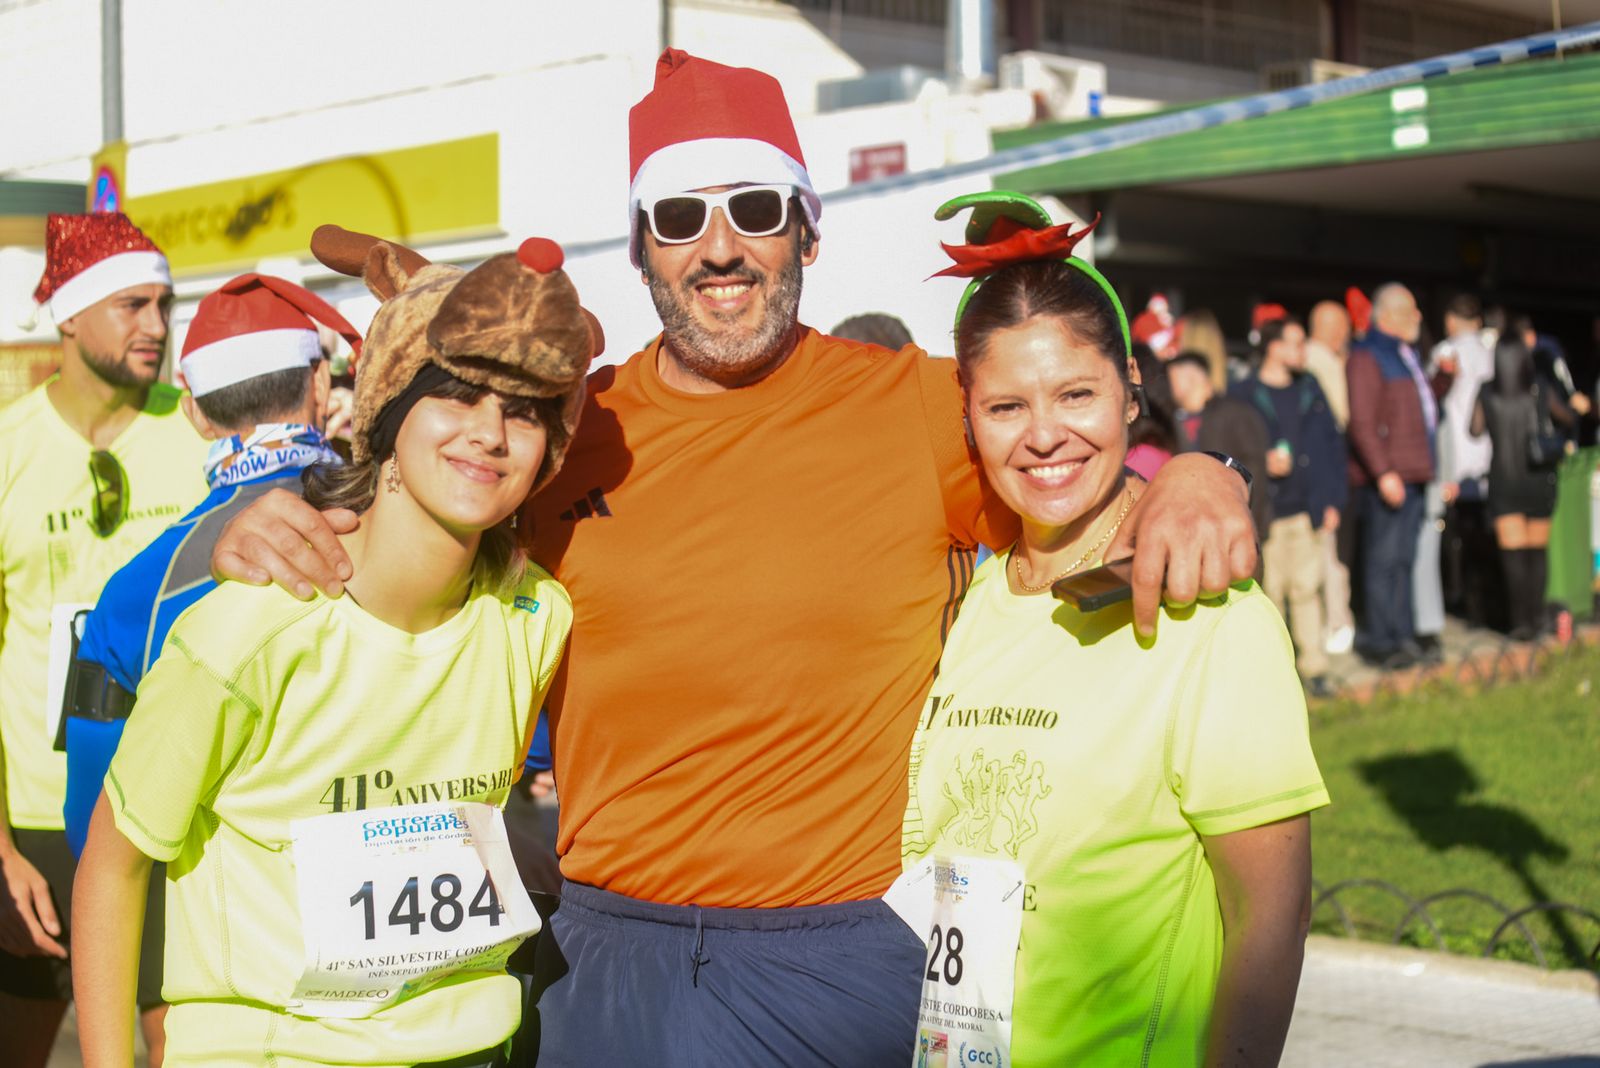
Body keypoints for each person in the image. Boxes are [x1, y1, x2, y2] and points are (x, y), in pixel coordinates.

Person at [210, 51, 1259, 1066]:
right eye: (678, 217)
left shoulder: (915, 406)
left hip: (841, 966)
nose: (718, 246)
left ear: (806, 230)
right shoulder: (569, 431)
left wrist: (1197, 473)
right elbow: (420, 516)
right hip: (603, 955)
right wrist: (255, 513)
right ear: (638, 249)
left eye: (755, 209)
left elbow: (1054, 447)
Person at [72, 231, 593, 1067]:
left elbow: (447, 821)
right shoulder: (250, 627)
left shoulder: (534, 620)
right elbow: (113, 864)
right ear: (386, 411)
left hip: (475, 1048)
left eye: (524, 411)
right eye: (456, 396)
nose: (491, 434)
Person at [902, 192, 1325, 1066]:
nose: (1045, 435)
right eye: (1007, 407)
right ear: (970, 417)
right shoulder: (980, 599)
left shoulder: (1212, 614)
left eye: (1076, 393)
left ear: (1132, 393)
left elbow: (1271, 917)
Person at [0, 213, 207, 1066]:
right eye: (132, 305)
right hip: (42, 814)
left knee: (176, 1041)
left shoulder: (199, 436)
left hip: (176, 798)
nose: (158, 326)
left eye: (164, 304)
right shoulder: (8, 448)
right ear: (70, 315)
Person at [1232, 314, 1346, 695]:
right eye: (1297, 343)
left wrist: (1331, 499)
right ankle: (1276, 675)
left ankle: (1313, 668)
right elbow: (1230, 450)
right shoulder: (1243, 394)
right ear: (1275, 347)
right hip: (1265, 513)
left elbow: (1331, 445)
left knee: (1307, 589)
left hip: (1306, 508)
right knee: (1271, 595)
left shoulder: (1310, 388)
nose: (1304, 351)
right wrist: (1262, 461)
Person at [1346, 283, 1438, 667]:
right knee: (1384, 561)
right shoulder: (1369, 356)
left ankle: (1402, 635)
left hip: (1413, 473)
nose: (1418, 318)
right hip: (1390, 478)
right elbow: (1363, 423)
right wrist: (1384, 472)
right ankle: (1381, 641)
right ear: (1389, 316)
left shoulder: (1403, 354)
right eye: (1411, 310)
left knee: (1403, 560)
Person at [1471, 332, 1575, 637]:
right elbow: (1567, 418)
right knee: (1536, 553)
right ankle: (1539, 617)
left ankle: (1520, 624)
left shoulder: (1486, 392)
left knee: (1512, 556)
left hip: (1504, 480)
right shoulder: (1539, 388)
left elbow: (1474, 430)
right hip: (1537, 478)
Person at [1429, 295, 1498, 631]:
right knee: (1481, 532)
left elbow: (1432, 408)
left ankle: (1455, 597)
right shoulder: (1491, 353)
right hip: (1488, 457)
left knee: (1452, 534)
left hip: (1453, 458)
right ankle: (1480, 602)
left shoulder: (1445, 352)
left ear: (1452, 320)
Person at [1168, 350, 1272, 545]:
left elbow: (1255, 472)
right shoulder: (1173, 420)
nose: (1167, 385)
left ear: (1189, 378)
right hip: (1191, 533)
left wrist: (1250, 526)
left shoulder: (1236, 414)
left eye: (1171, 378)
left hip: (1235, 530)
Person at [1303, 299, 1356, 654]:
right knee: (1329, 557)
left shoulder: (1304, 358)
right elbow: (1343, 416)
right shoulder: (1324, 362)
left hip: (1307, 474)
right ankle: (1336, 627)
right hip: (1326, 473)